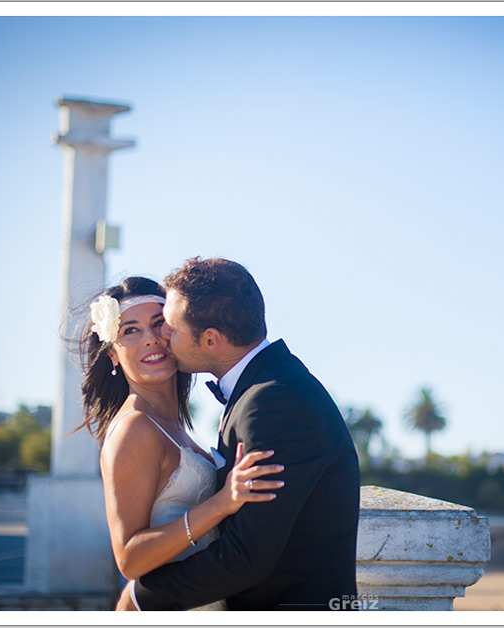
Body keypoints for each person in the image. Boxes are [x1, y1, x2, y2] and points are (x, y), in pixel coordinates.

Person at [123, 257, 361, 611]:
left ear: (210, 339)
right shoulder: (271, 386)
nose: (163, 338)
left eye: (170, 328)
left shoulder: (274, 401)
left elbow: (247, 557)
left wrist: (140, 598)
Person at [76, 276, 285, 611]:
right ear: (113, 354)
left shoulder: (174, 427)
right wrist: (221, 503)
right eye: (130, 330)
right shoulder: (134, 429)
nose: (151, 339)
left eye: (159, 324)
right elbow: (129, 558)